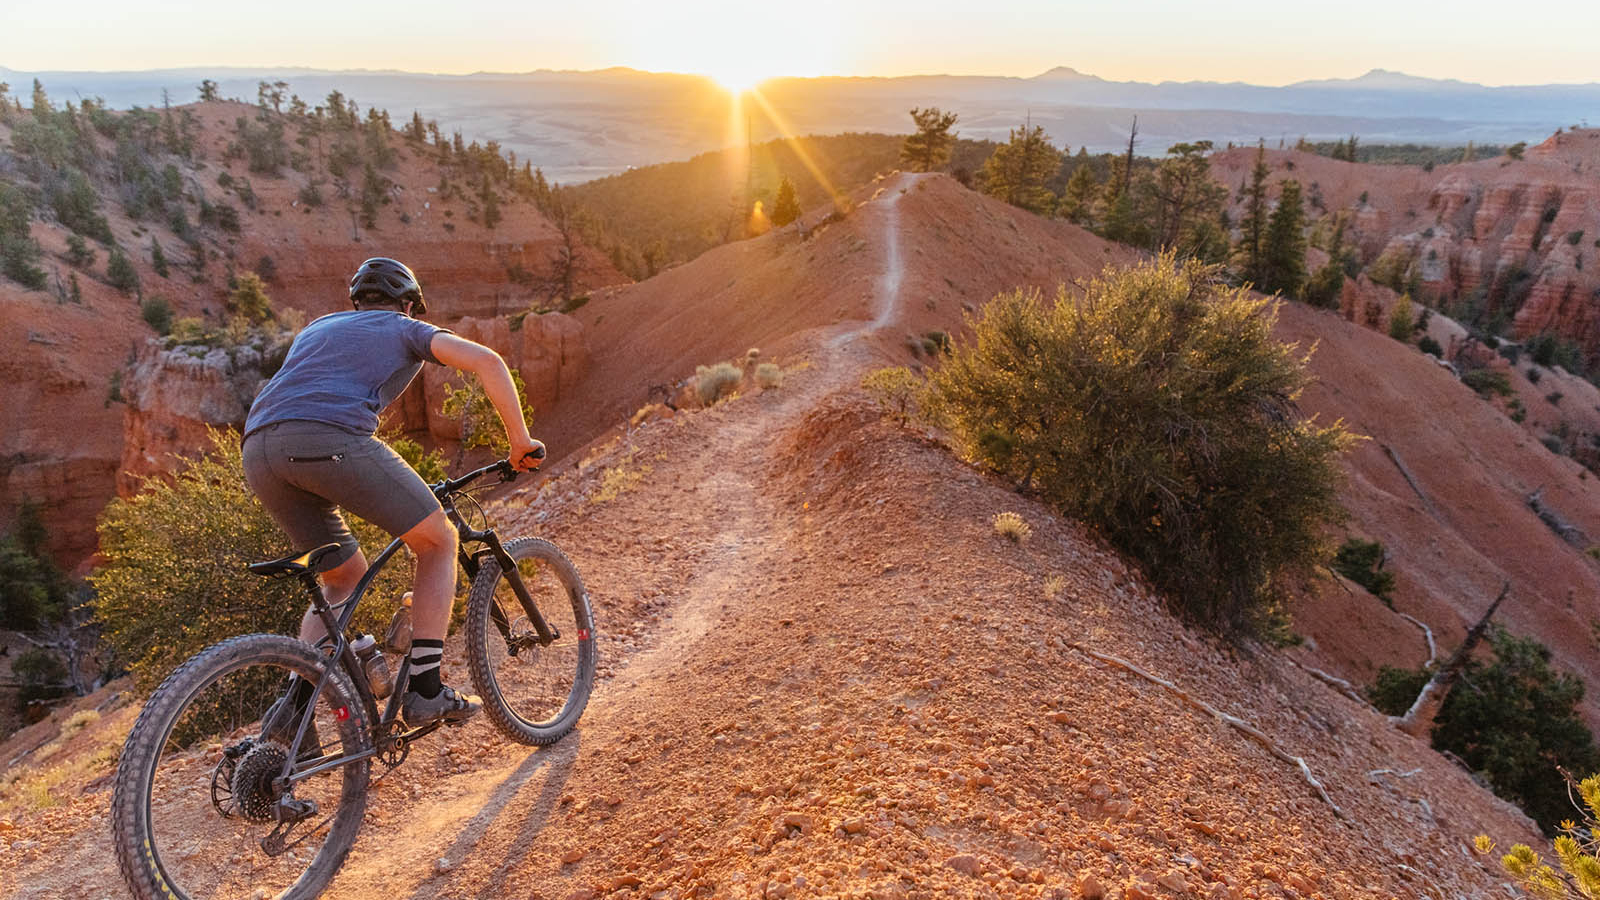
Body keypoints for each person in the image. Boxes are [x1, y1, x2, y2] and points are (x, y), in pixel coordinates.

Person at [242, 257, 542, 729]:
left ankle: (290, 714)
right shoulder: (405, 328)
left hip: (258, 450)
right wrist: (520, 442)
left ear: (358, 301)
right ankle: (425, 689)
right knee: (439, 540)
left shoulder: (318, 328)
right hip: (329, 439)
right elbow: (488, 361)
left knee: (342, 578)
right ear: (409, 304)